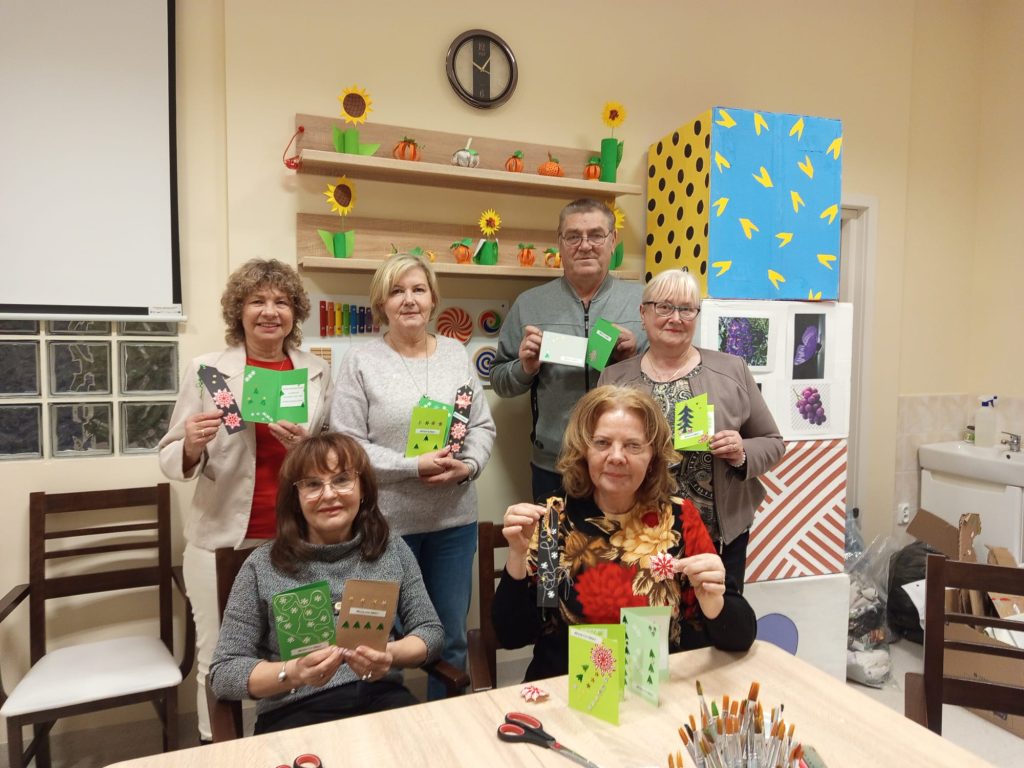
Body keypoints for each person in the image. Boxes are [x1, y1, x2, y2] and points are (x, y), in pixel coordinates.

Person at [158, 258, 332, 741]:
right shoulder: (209, 370)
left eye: (281, 302)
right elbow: (169, 455)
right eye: (257, 301)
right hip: (221, 539)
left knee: (300, 648)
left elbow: (332, 453)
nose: (269, 312)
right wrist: (192, 444)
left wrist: (309, 449)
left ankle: (292, 741)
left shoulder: (316, 371)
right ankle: (217, 747)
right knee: (219, 656)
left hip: (296, 537)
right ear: (240, 311)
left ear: (295, 313)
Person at [492, 385, 756, 682]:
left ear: (653, 455)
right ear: (584, 450)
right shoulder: (556, 520)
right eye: (602, 443)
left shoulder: (678, 518)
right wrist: (517, 556)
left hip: (656, 690)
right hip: (569, 689)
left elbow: (740, 637)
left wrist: (713, 603)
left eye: (633, 445)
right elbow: (513, 635)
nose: (617, 457)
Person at [330, 253, 495, 698]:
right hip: (384, 528)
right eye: (397, 291)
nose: (409, 300)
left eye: (418, 290)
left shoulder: (455, 354)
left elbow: (481, 426)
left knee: (450, 638)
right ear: (381, 303)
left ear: (433, 299)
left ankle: (447, 726)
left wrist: (468, 466)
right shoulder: (361, 361)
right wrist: (412, 465)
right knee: (377, 644)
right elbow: (347, 445)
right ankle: (388, 725)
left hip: (452, 524)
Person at [208, 433, 443, 734]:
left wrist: (390, 655)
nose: (329, 494)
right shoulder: (262, 565)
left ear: (363, 489)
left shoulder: (391, 549)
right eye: (312, 484)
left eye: (342, 480)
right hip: (294, 710)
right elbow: (224, 671)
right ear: (295, 498)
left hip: (380, 698)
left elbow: (430, 631)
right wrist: (293, 672)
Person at [599, 269, 784, 588]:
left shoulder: (731, 370)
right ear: (643, 313)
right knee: (645, 615)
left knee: (716, 615)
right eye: (664, 307)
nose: (676, 318)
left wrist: (741, 452)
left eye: (687, 309)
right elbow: (594, 451)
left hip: (716, 537)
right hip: (636, 534)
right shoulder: (614, 379)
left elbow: (773, 442)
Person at [491, 198, 646, 503]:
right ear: (559, 243)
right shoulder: (529, 304)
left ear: (613, 240)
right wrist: (525, 368)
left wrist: (632, 361)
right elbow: (499, 381)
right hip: (554, 465)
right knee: (554, 537)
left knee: (624, 537)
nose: (585, 245)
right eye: (573, 236)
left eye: (596, 235)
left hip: (626, 464)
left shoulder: (642, 302)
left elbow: (667, 379)